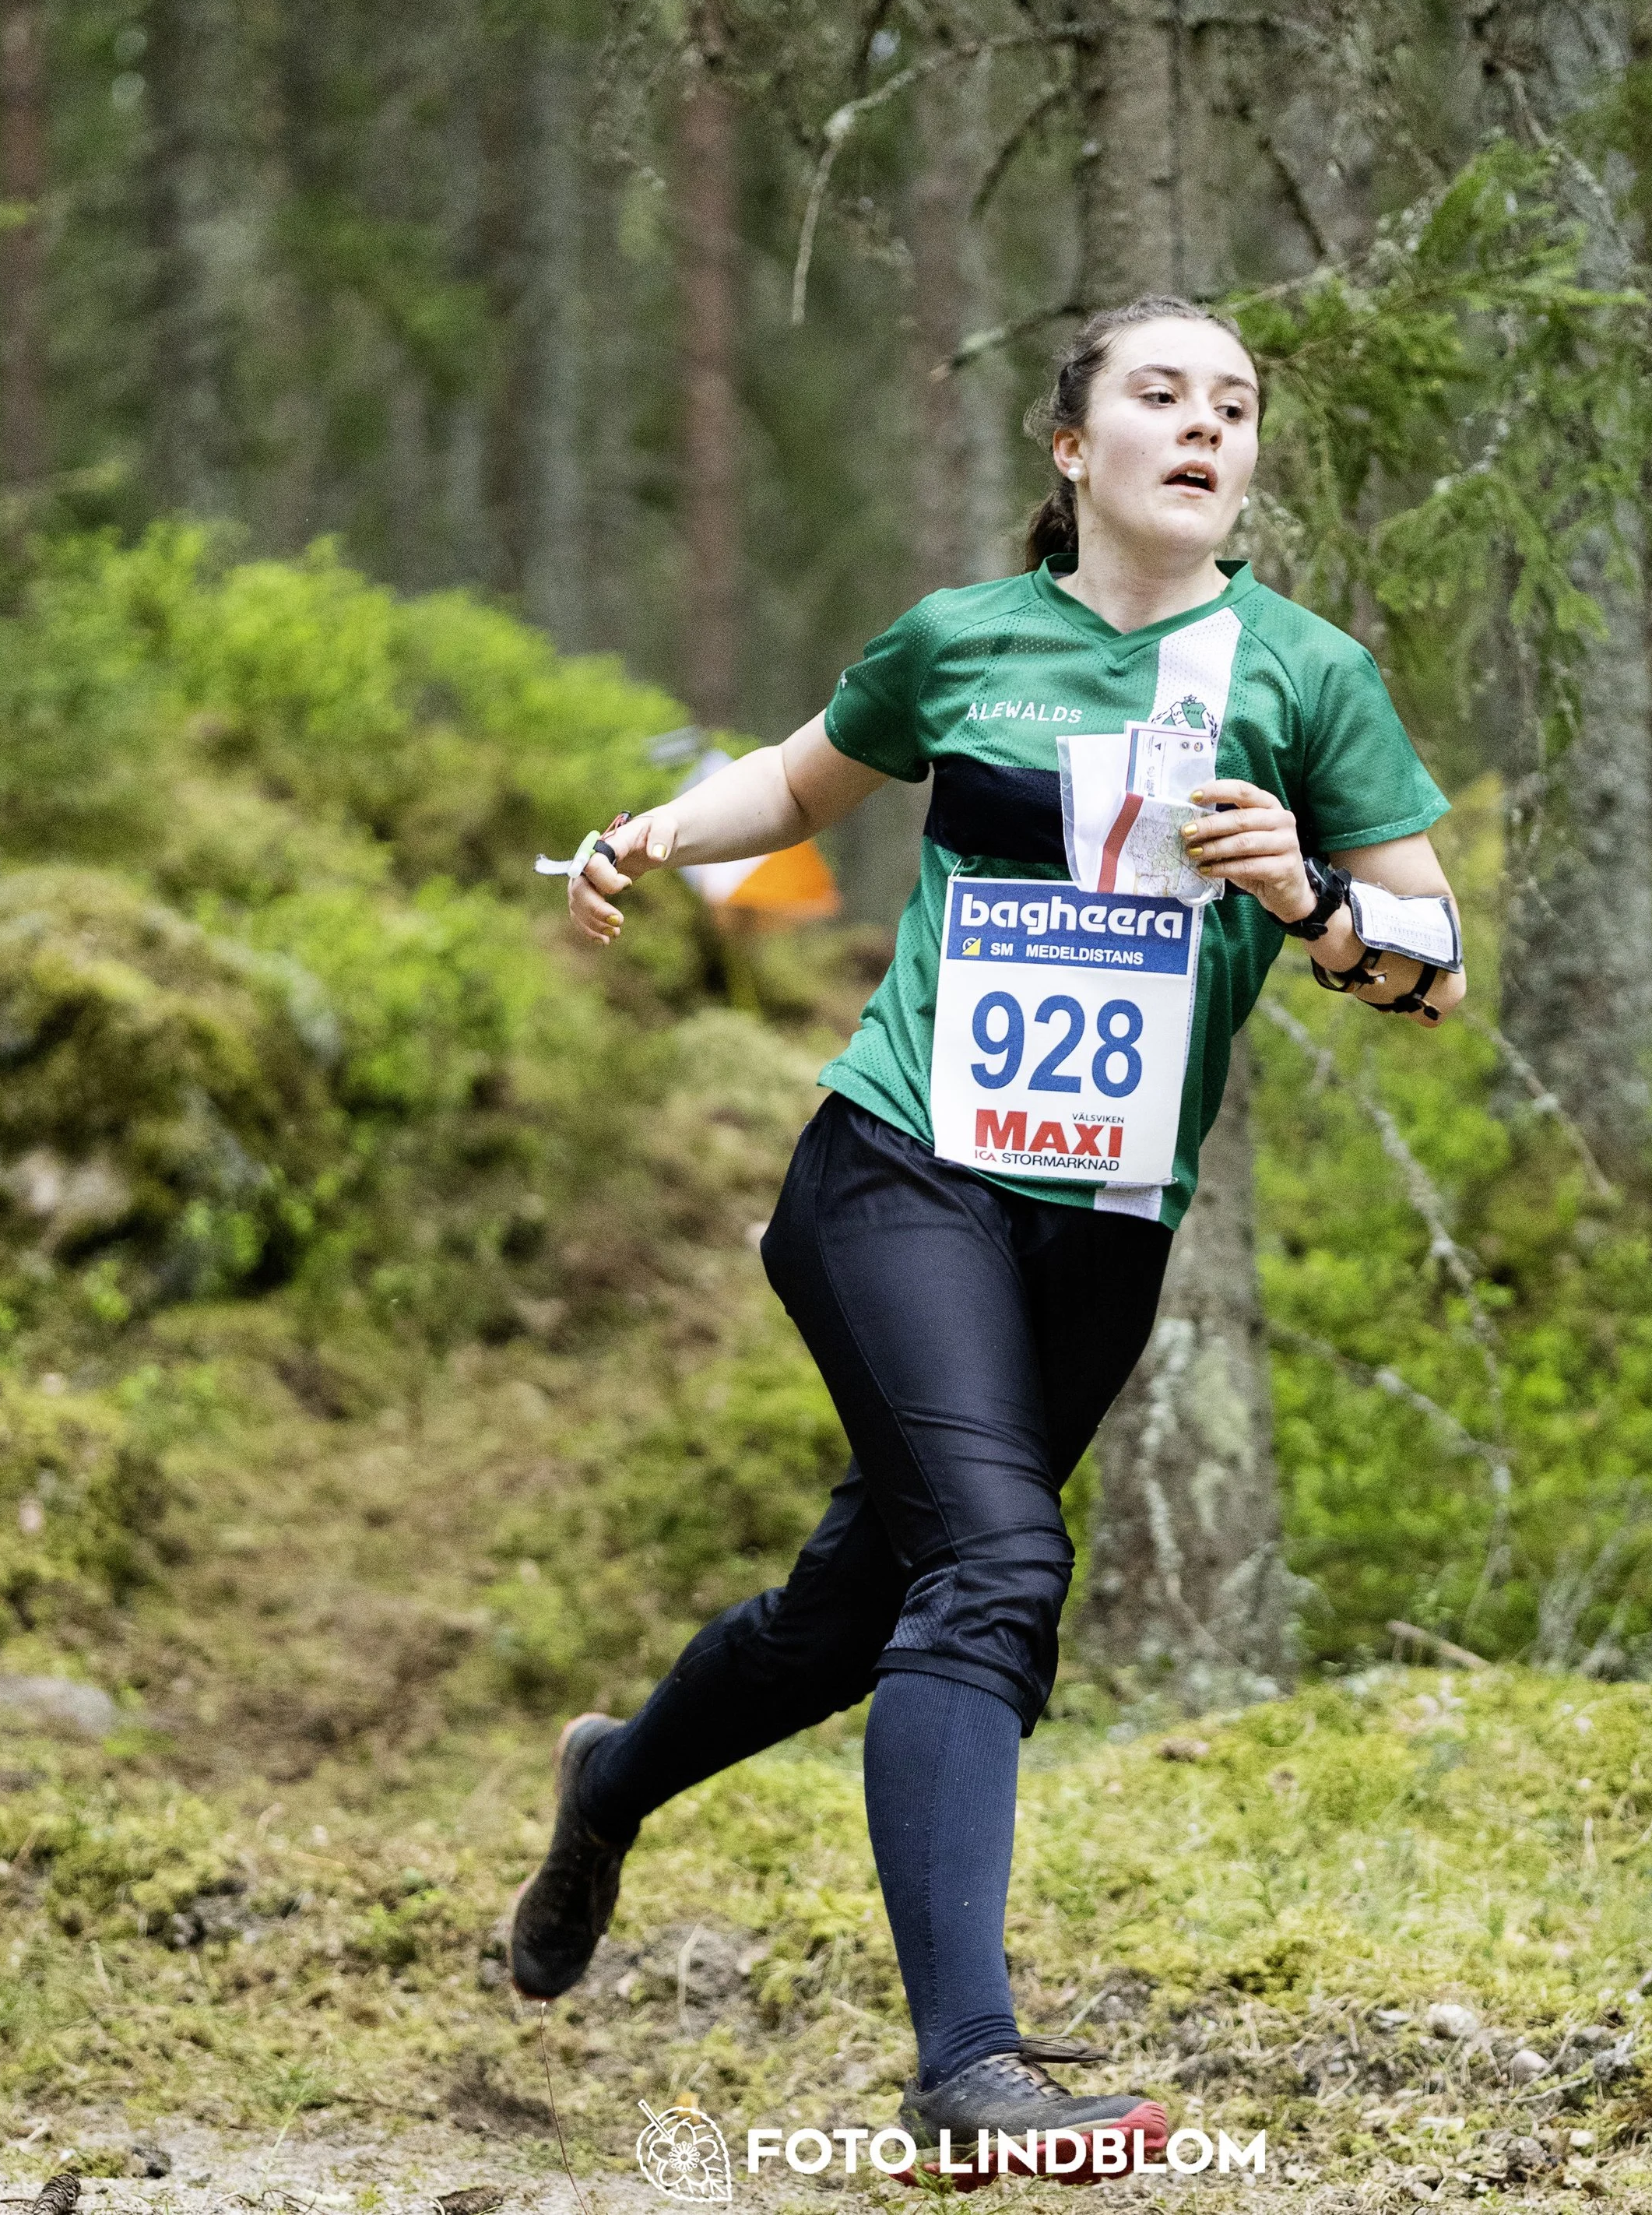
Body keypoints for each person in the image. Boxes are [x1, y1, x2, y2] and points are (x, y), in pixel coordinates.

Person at [508, 294, 1464, 2173]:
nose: (1204, 428)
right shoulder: (963, 641)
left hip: (1098, 1226)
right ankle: (968, 2070)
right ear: (1070, 444)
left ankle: (611, 1782)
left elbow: (1431, 969)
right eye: (1160, 395)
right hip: (896, 1167)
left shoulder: (1303, 672)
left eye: (1235, 406)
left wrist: (1315, 894)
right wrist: (644, 836)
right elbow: (794, 785)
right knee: (1001, 1568)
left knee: (852, 1609)